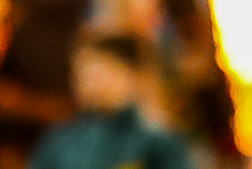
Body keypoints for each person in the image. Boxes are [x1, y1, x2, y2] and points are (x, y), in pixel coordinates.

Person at [27, 34, 190, 169]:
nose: (92, 85)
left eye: (101, 74)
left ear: (129, 76)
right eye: (83, 77)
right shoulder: (59, 143)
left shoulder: (154, 138)